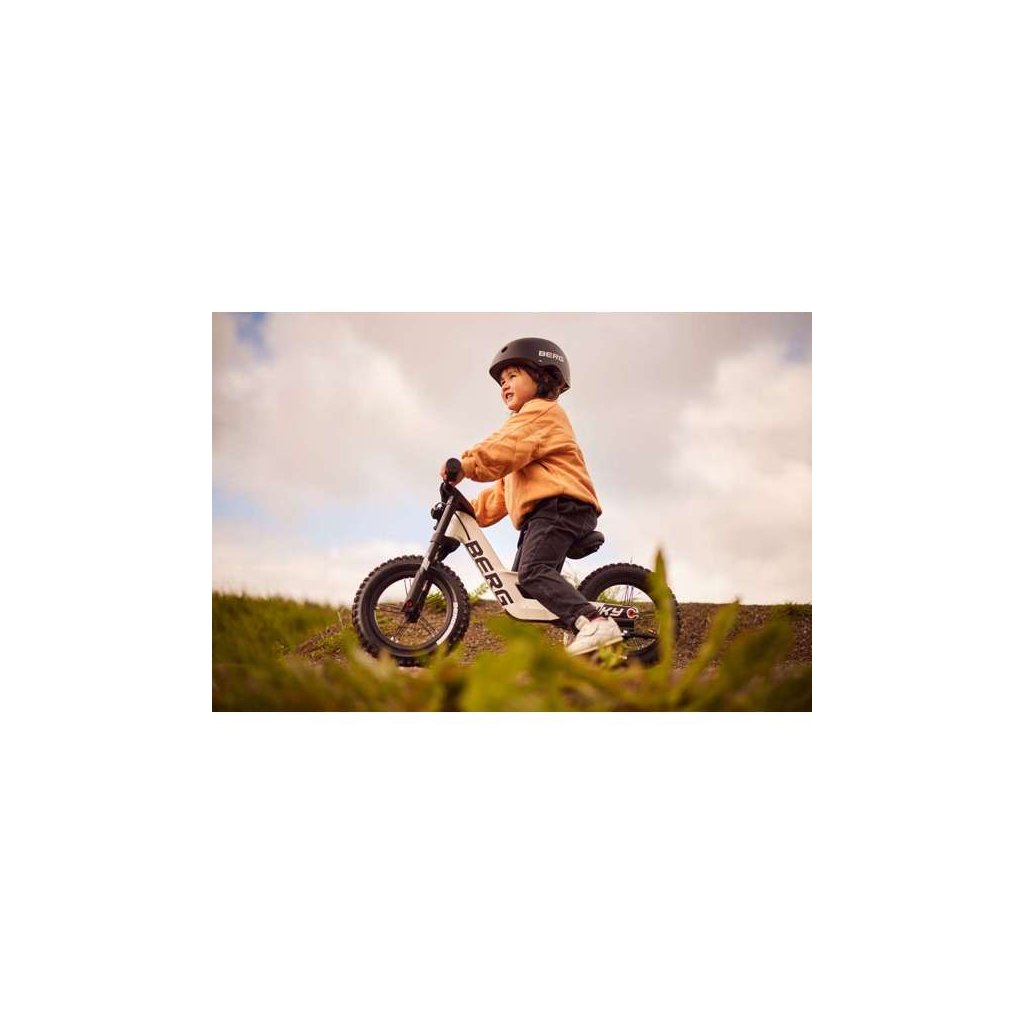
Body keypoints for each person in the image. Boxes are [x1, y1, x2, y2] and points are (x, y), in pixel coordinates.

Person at [439, 338, 623, 655]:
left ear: (543, 377)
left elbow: (502, 448)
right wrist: (469, 510)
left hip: (561, 507)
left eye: (512, 376)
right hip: (547, 512)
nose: (504, 385)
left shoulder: (541, 413)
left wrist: (467, 465)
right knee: (526, 589)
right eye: (501, 381)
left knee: (533, 572)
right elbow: (505, 489)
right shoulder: (527, 432)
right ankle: (582, 626)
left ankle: (593, 622)